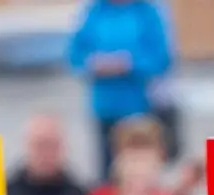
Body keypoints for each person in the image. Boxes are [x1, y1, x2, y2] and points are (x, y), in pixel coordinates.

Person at [67, 0, 175, 180]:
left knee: (141, 174)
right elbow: (75, 55)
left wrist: (129, 64)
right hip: (105, 110)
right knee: (109, 176)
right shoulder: (94, 11)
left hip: (139, 111)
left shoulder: (147, 12)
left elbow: (161, 59)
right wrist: (93, 63)